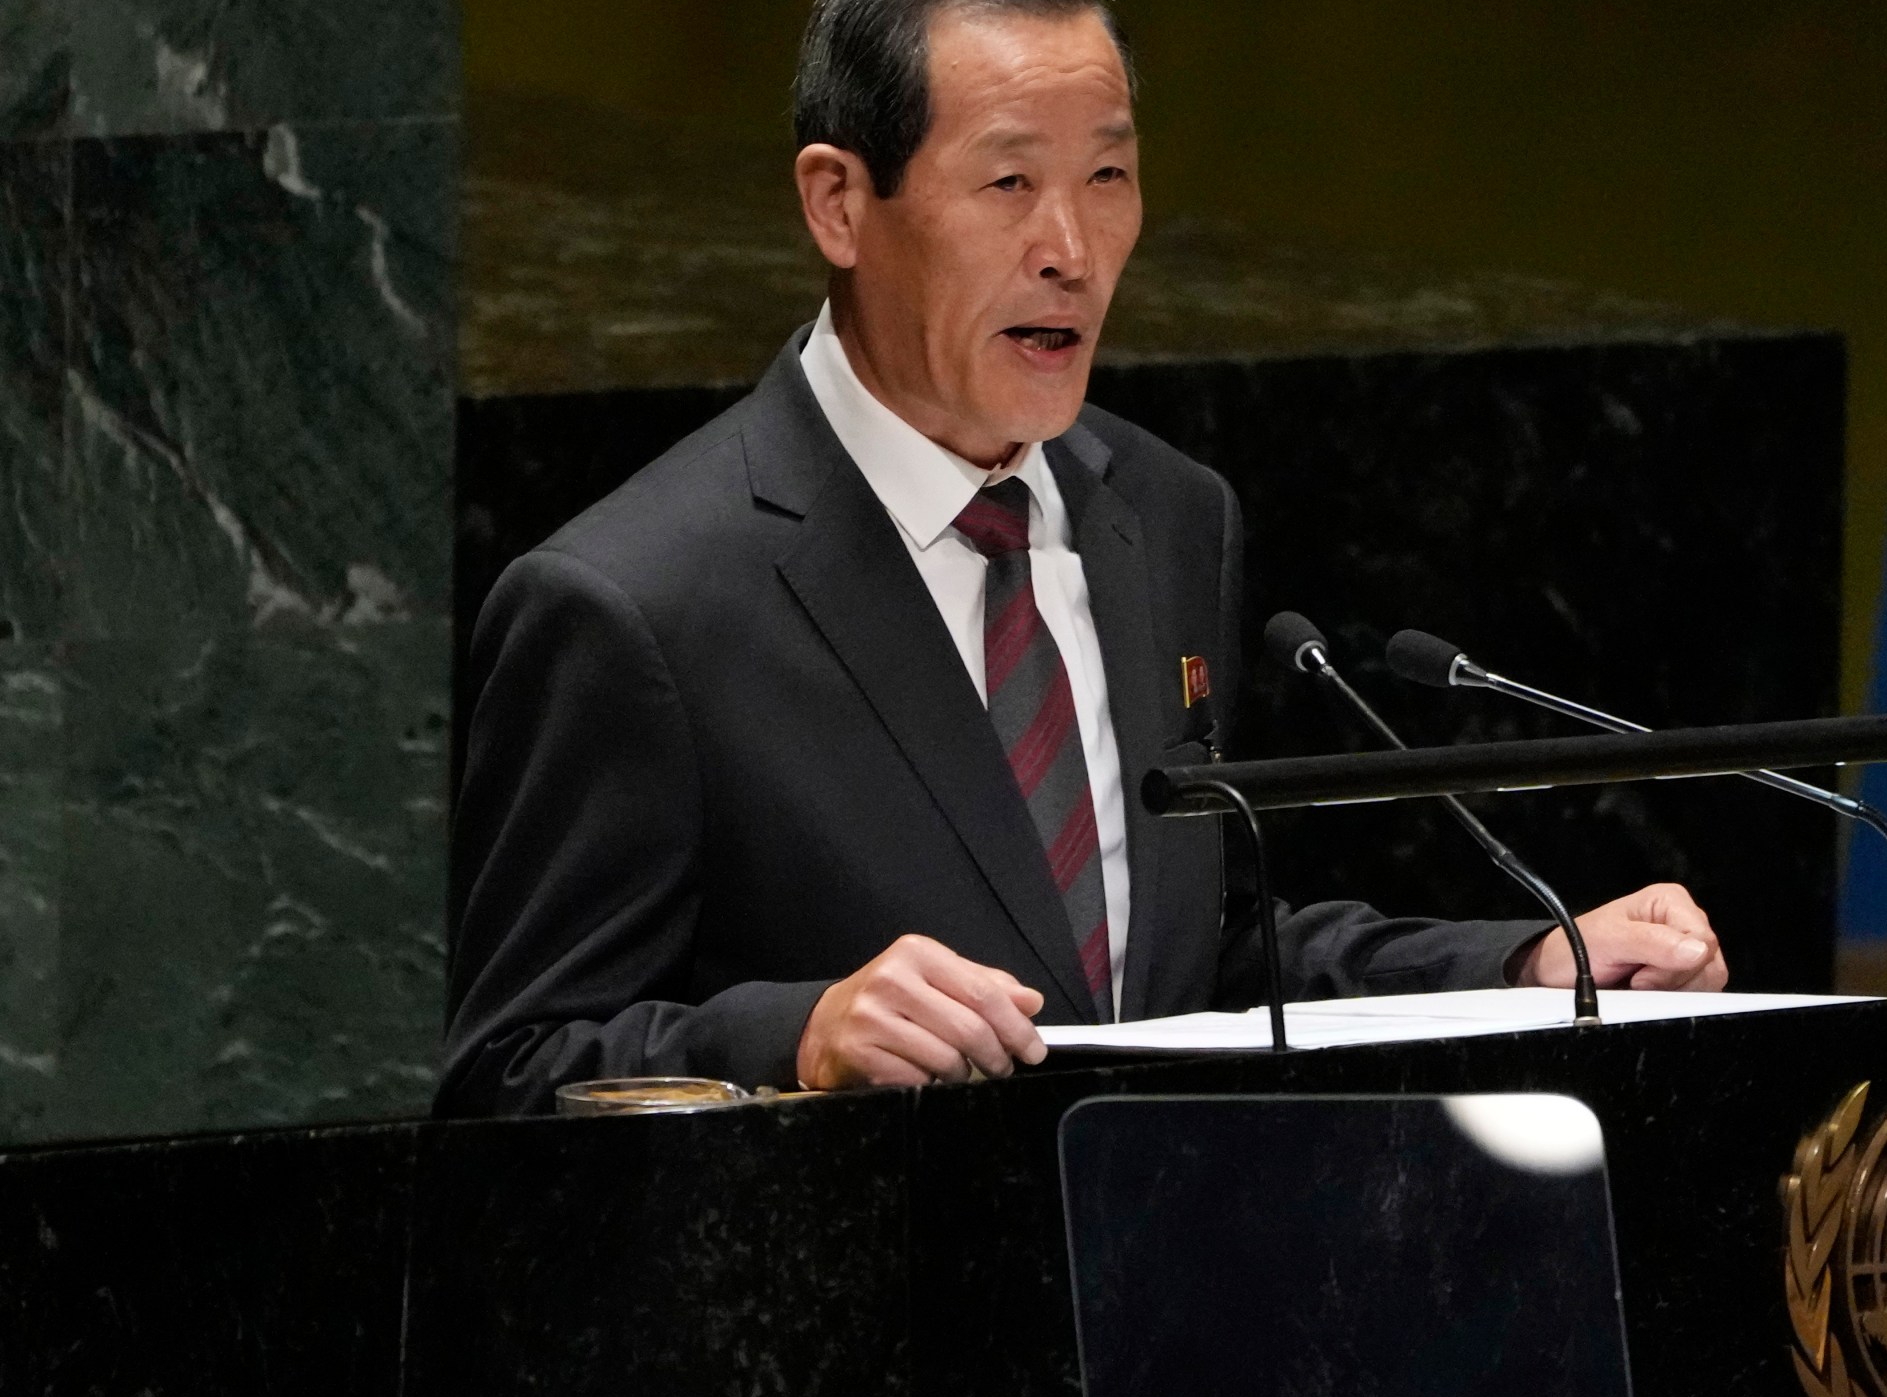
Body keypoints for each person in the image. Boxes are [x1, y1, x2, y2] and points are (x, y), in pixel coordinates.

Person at [437, 0, 1728, 1117]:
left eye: (1107, 177)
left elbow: (1185, 968)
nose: (1071, 246)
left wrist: (1524, 965)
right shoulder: (634, 604)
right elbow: (512, 1071)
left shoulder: (1166, 516)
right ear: (839, 202)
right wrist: (795, 1038)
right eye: (1009, 183)